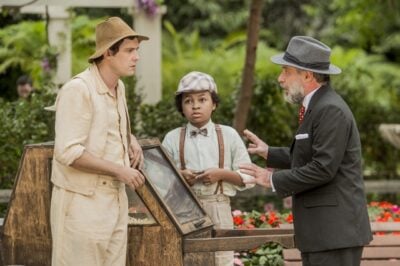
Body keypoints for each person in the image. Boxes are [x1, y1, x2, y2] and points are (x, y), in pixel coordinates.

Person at [239, 36, 372, 266]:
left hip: (334, 235)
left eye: (286, 71)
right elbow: (308, 157)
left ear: (308, 75)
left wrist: (271, 178)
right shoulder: (318, 106)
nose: (280, 79)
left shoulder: (330, 109)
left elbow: (323, 168)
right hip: (322, 235)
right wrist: (268, 152)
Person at [50, 17, 148, 265]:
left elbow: (106, 123)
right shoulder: (78, 89)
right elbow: (69, 152)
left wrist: (130, 138)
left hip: (114, 201)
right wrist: (121, 170)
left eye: (137, 50)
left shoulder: (119, 87)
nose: (136, 57)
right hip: (81, 204)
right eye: (129, 50)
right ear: (108, 53)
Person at [162, 71, 254, 266]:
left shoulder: (228, 135)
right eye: (188, 101)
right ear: (181, 107)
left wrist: (221, 174)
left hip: (219, 206)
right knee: (187, 258)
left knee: (222, 259)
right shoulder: (172, 138)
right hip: (184, 211)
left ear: (214, 104)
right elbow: (159, 181)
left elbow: (249, 176)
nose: (195, 106)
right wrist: (180, 177)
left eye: (202, 99)